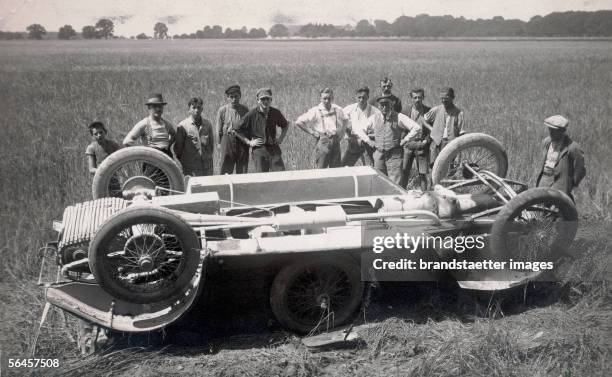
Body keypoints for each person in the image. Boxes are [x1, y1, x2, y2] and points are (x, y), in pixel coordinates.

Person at [356, 95, 421, 184]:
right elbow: (359, 129)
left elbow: (416, 127)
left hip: (394, 155)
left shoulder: (399, 116)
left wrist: (405, 139)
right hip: (379, 154)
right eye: (382, 105)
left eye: (387, 104)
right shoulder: (374, 117)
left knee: (395, 182)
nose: (384, 107)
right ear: (378, 106)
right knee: (379, 181)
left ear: (391, 105)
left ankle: (396, 198)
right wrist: (368, 141)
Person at [234, 88, 290, 172]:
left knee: (281, 174)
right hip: (259, 150)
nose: (265, 101)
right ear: (258, 100)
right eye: (263, 99)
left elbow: (285, 125)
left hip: (274, 149)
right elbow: (236, 129)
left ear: (271, 100)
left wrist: (281, 138)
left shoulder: (275, 112)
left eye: (267, 99)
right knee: (261, 178)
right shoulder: (252, 114)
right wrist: (249, 142)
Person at [295, 88, 349, 168]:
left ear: (332, 98)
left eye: (329, 98)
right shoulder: (316, 110)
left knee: (336, 170)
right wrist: (312, 132)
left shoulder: (337, 109)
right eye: (324, 98)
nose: (327, 101)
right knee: (321, 168)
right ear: (320, 99)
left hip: (335, 140)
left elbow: (345, 119)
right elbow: (299, 122)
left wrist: (342, 132)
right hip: (323, 140)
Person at [534, 115, 586, 200]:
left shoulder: (573, 147)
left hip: (560, 184)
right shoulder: (546, 142)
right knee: (540, 207)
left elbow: (580, 170)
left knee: (556, 209)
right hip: (543, 180)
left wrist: (570, 184)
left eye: (554, 130)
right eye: (549, 129)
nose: (551, 132)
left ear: (563, 131)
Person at [341, 86, 381, 167]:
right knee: (344, 167)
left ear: (368, 97)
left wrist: (371, 136)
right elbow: (339, 119)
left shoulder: (375, 111)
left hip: (367, 145)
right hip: (353, 143)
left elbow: (380, 128)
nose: (361, 100)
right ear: (355, 97)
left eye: (364, 97)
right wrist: (346, 133)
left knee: (369, 169)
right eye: (359, 97)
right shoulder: (349, 109)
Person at [425, 87, 465, 166]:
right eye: (442, 98)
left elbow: (461, 131)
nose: (443, 101)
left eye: (446, 98)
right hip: (437, 143)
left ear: (452, 97)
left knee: (449, 166)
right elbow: (424, 119)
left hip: (450, 144)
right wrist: (431, 129)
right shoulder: (437, 109)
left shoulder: (459, 113)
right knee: (434, 166)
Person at [175, 97, 214, 176]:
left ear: (202, 109)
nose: (196, 110)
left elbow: (211, 145)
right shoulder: (183, 126)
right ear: (189, 110)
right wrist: (186, 164)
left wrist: (208, 158)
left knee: (208, 187)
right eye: (193, 108)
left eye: (199, 107)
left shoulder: (207, 124)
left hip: (207, 167)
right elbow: (178, 150)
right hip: (192, 169)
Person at [401, 88, 431, 190]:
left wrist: (426, 141)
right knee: (404, 171)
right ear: (411, 98)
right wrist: (404, 141)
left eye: (419, 97)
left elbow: (432, 129)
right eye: (415, 97)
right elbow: (401, 128)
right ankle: (403, 194)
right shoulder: (405, 111)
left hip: (422, 145)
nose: (417, 99)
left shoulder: (428, 111)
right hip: (408, 145)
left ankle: (425, 195)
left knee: (422, 174)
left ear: (423, 97)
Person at [216, 85, 250, 174]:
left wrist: (247, 141)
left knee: (242, 169)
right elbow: (218, 129)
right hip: (227, 141)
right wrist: (219, 144)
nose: (234, 99)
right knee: (226, 168)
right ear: (227, 98)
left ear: (240, 96)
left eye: (236, 96)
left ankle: (241, 187)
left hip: (241, 141)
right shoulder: (222, 110)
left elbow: (248, 128)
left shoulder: (245, 110)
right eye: (231, 97)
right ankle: (225, 187)